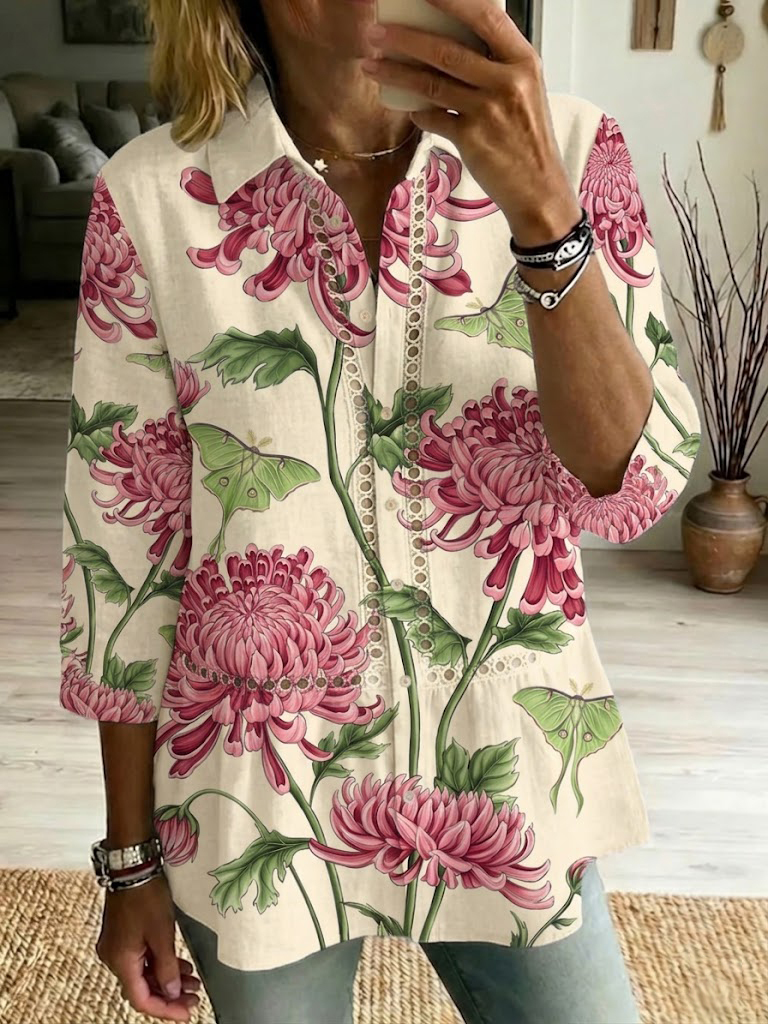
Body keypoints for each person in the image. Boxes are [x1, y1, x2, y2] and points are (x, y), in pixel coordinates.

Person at [57, 0, 701, 1021]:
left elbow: (632, 482)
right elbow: (122, 561)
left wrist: (541, 210)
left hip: (509, 774)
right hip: (256, 791)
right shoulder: (152, 197)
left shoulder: (571, 148)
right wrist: (129, 860)